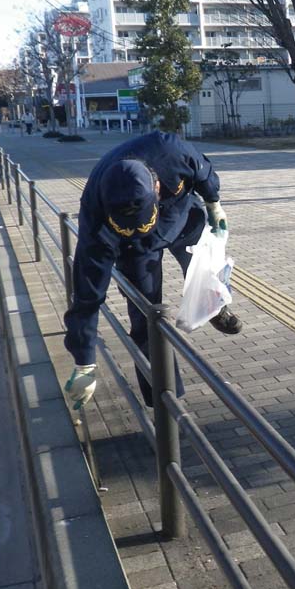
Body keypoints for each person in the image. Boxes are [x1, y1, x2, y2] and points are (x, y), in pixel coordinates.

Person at [62, 131, 242, 410]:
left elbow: (202, 170)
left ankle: (215, 307)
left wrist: (214, 203)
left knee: (209, 266)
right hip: (135, 249)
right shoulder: (95, 217)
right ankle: (166, 405)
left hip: (181, 217)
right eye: (126, 222)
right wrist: (84, 361)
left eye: (140, 220)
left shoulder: (169, 150)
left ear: (156, 189)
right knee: (146, 318)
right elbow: (87, 295)